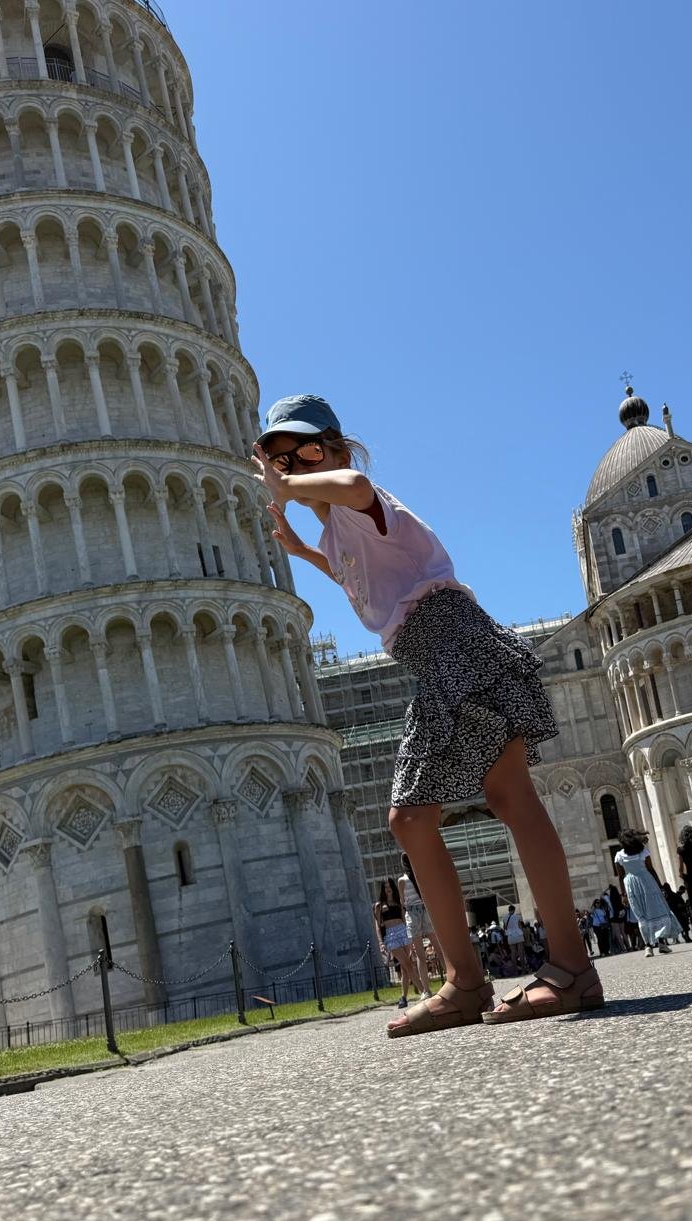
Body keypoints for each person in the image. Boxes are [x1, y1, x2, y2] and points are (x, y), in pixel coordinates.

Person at [253, 393, 602, 1034]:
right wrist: (304, 553)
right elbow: (363, 581)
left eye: (307, 452)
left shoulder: (360, 497)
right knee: (436, 813)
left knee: (478, 802)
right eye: (280, 459)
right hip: (438, 652)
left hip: (453, 640)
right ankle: (477, 982)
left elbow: (355, 486)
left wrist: (287, 489)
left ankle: (556, 972)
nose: (294, 466)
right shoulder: (340, 531)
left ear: (336, 449)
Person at [613, 830, 677, 955]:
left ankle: (648, 946)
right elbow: (651, 869)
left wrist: (623, 894)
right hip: (647, 882)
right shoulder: (643, 852)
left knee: (641, 915)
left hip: (631, 885)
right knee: (656, 912)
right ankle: (661, 943)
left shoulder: (619, 856)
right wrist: (660, 886)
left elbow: (621, 877)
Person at [375, 877, 423, 1006]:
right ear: (382, 889)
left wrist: (410, 937)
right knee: (407, 964)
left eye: (390, 886)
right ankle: (424, 991)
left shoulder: (398, 902)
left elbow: (404, 919)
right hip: (391, 936)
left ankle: (403, 998)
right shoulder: (379, 905)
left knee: (405, 968)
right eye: (385, 887)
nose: (388, 889)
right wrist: (381, 942)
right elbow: (378, 926)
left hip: (403, 932)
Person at [400, 853, 436, 993]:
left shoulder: (402, 880)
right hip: (424, 909)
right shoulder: (419, 875)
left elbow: (402, 901)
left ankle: (426, 990)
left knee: (420, 955)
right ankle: (453, 981)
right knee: (438, 948)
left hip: (412, 912)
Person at [503, 904, 528, 971]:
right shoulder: (518, 917)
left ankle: (515, 969)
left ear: (508, 910)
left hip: (510, 936)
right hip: (518, 935)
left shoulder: (504, 918)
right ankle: (523, 969)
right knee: (520, 952)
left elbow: (504, 928)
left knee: (513, 953)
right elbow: (520, 926)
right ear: (514, 910)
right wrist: (524, 935)